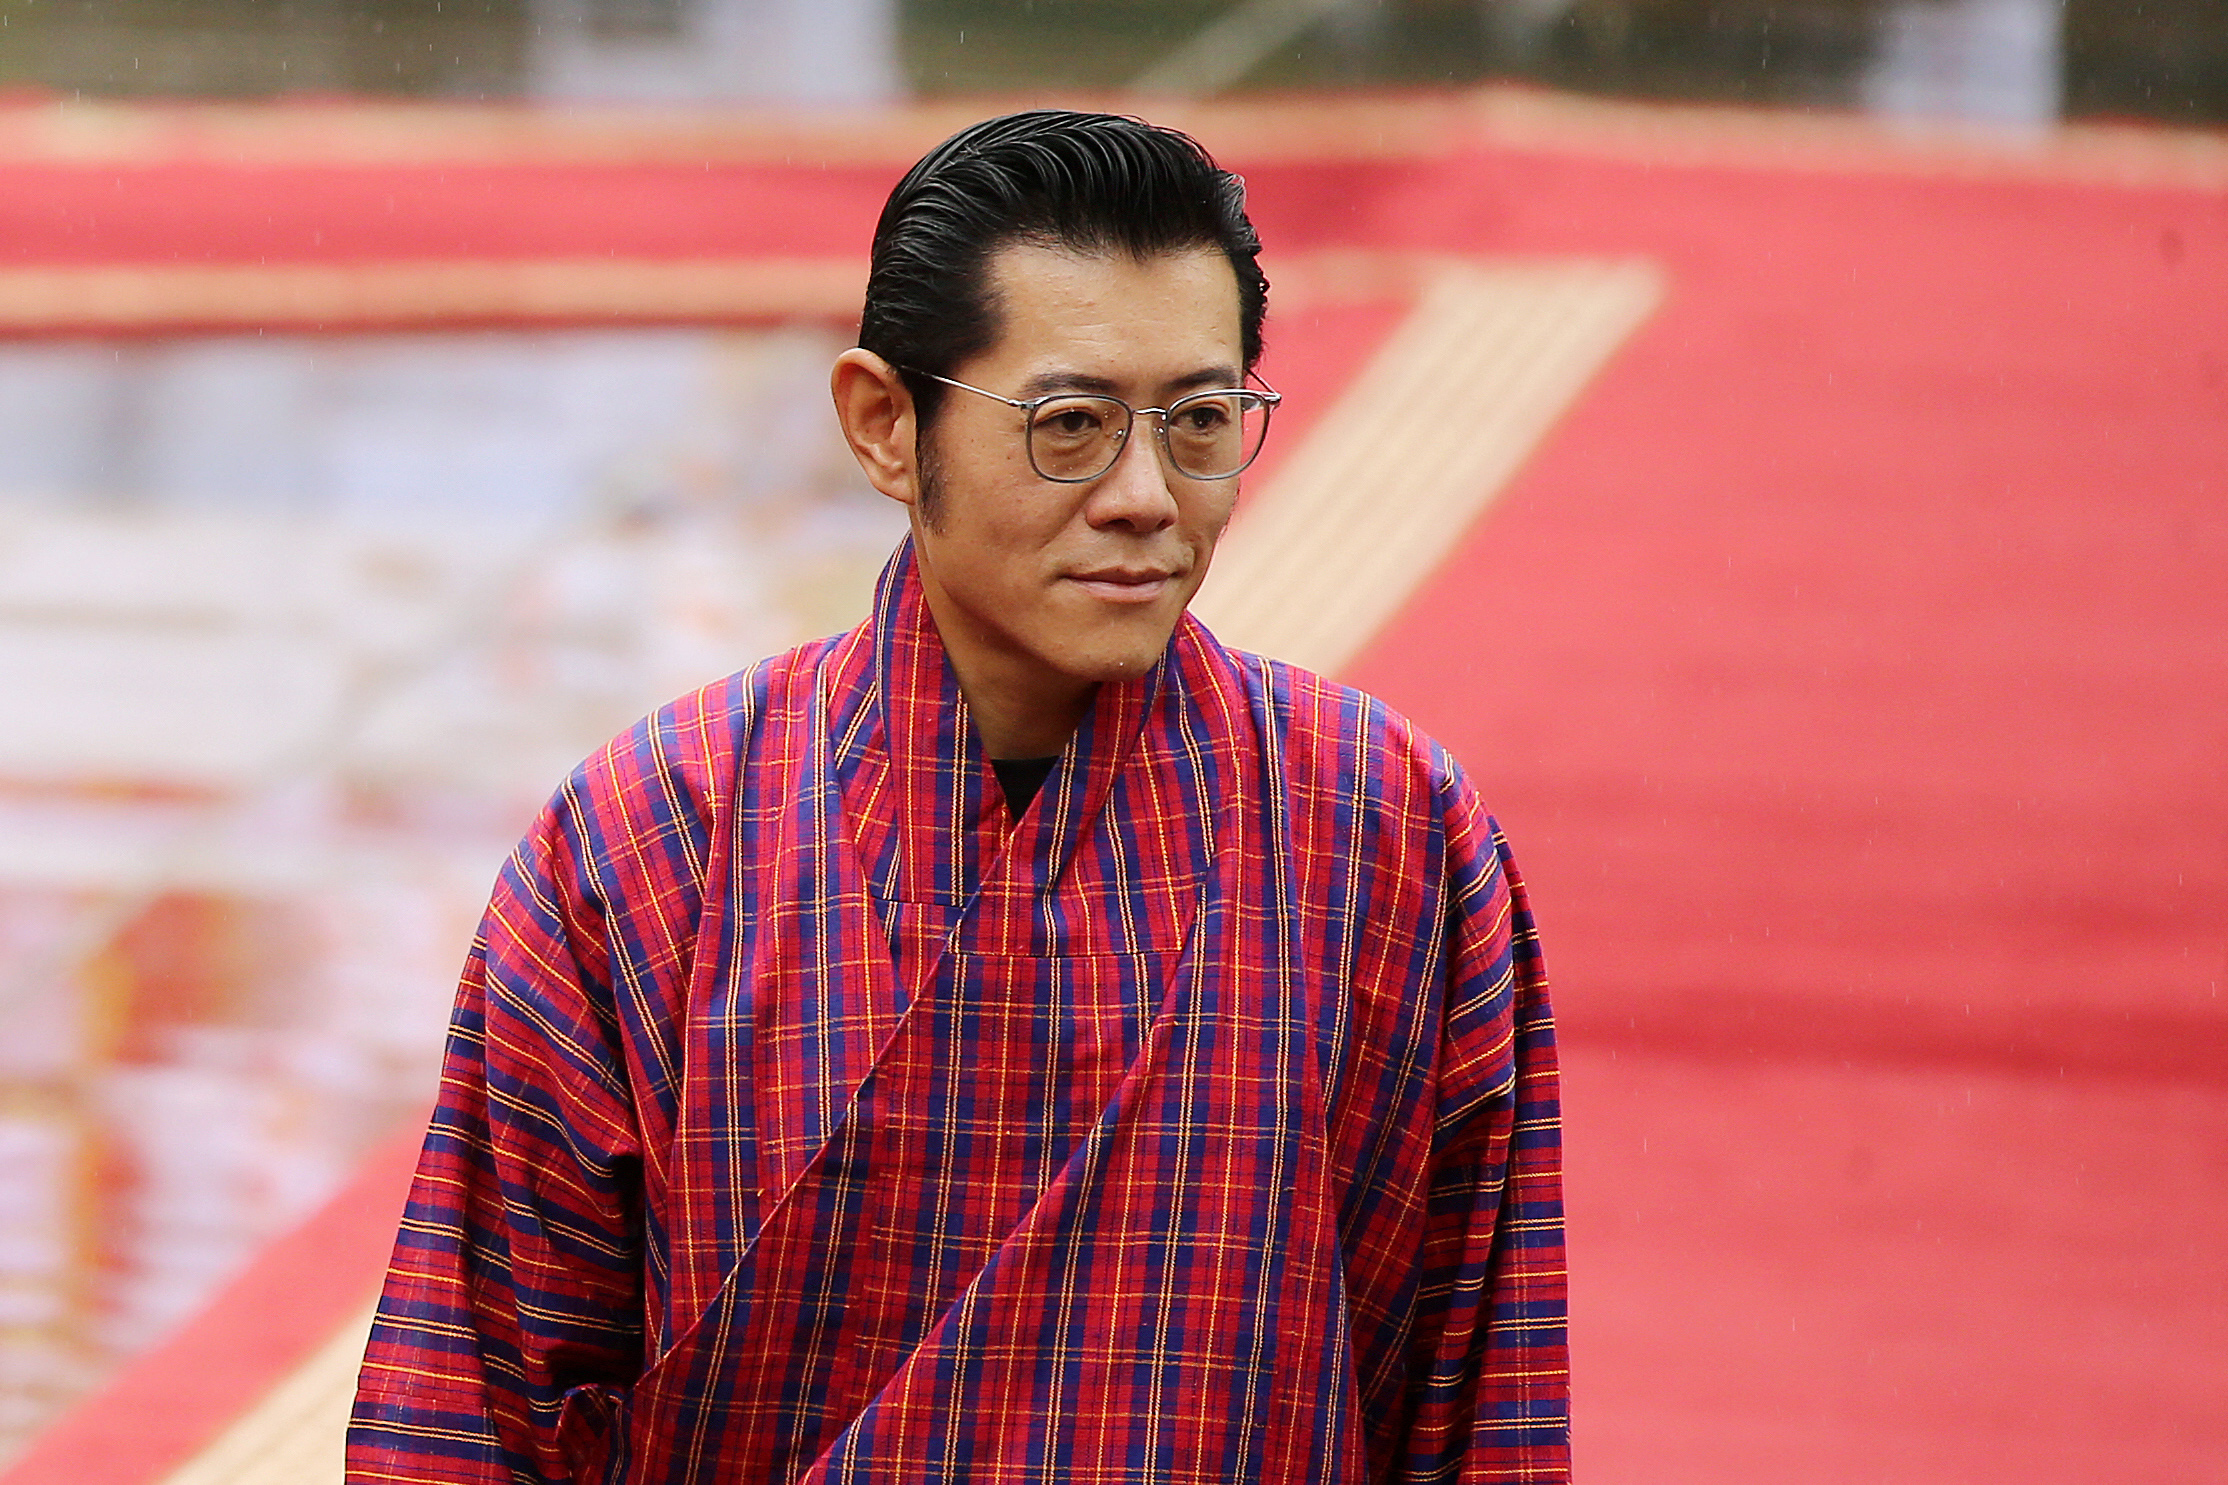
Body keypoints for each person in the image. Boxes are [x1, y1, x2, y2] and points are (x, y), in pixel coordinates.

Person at [348, 109, 1567, 1484]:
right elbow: (471, 1408)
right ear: (884, 424)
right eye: (1070, 425)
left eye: (1204, 422)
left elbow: (1481, 1400)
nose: (1145, 496)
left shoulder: (1385, 831)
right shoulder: (654, 841)